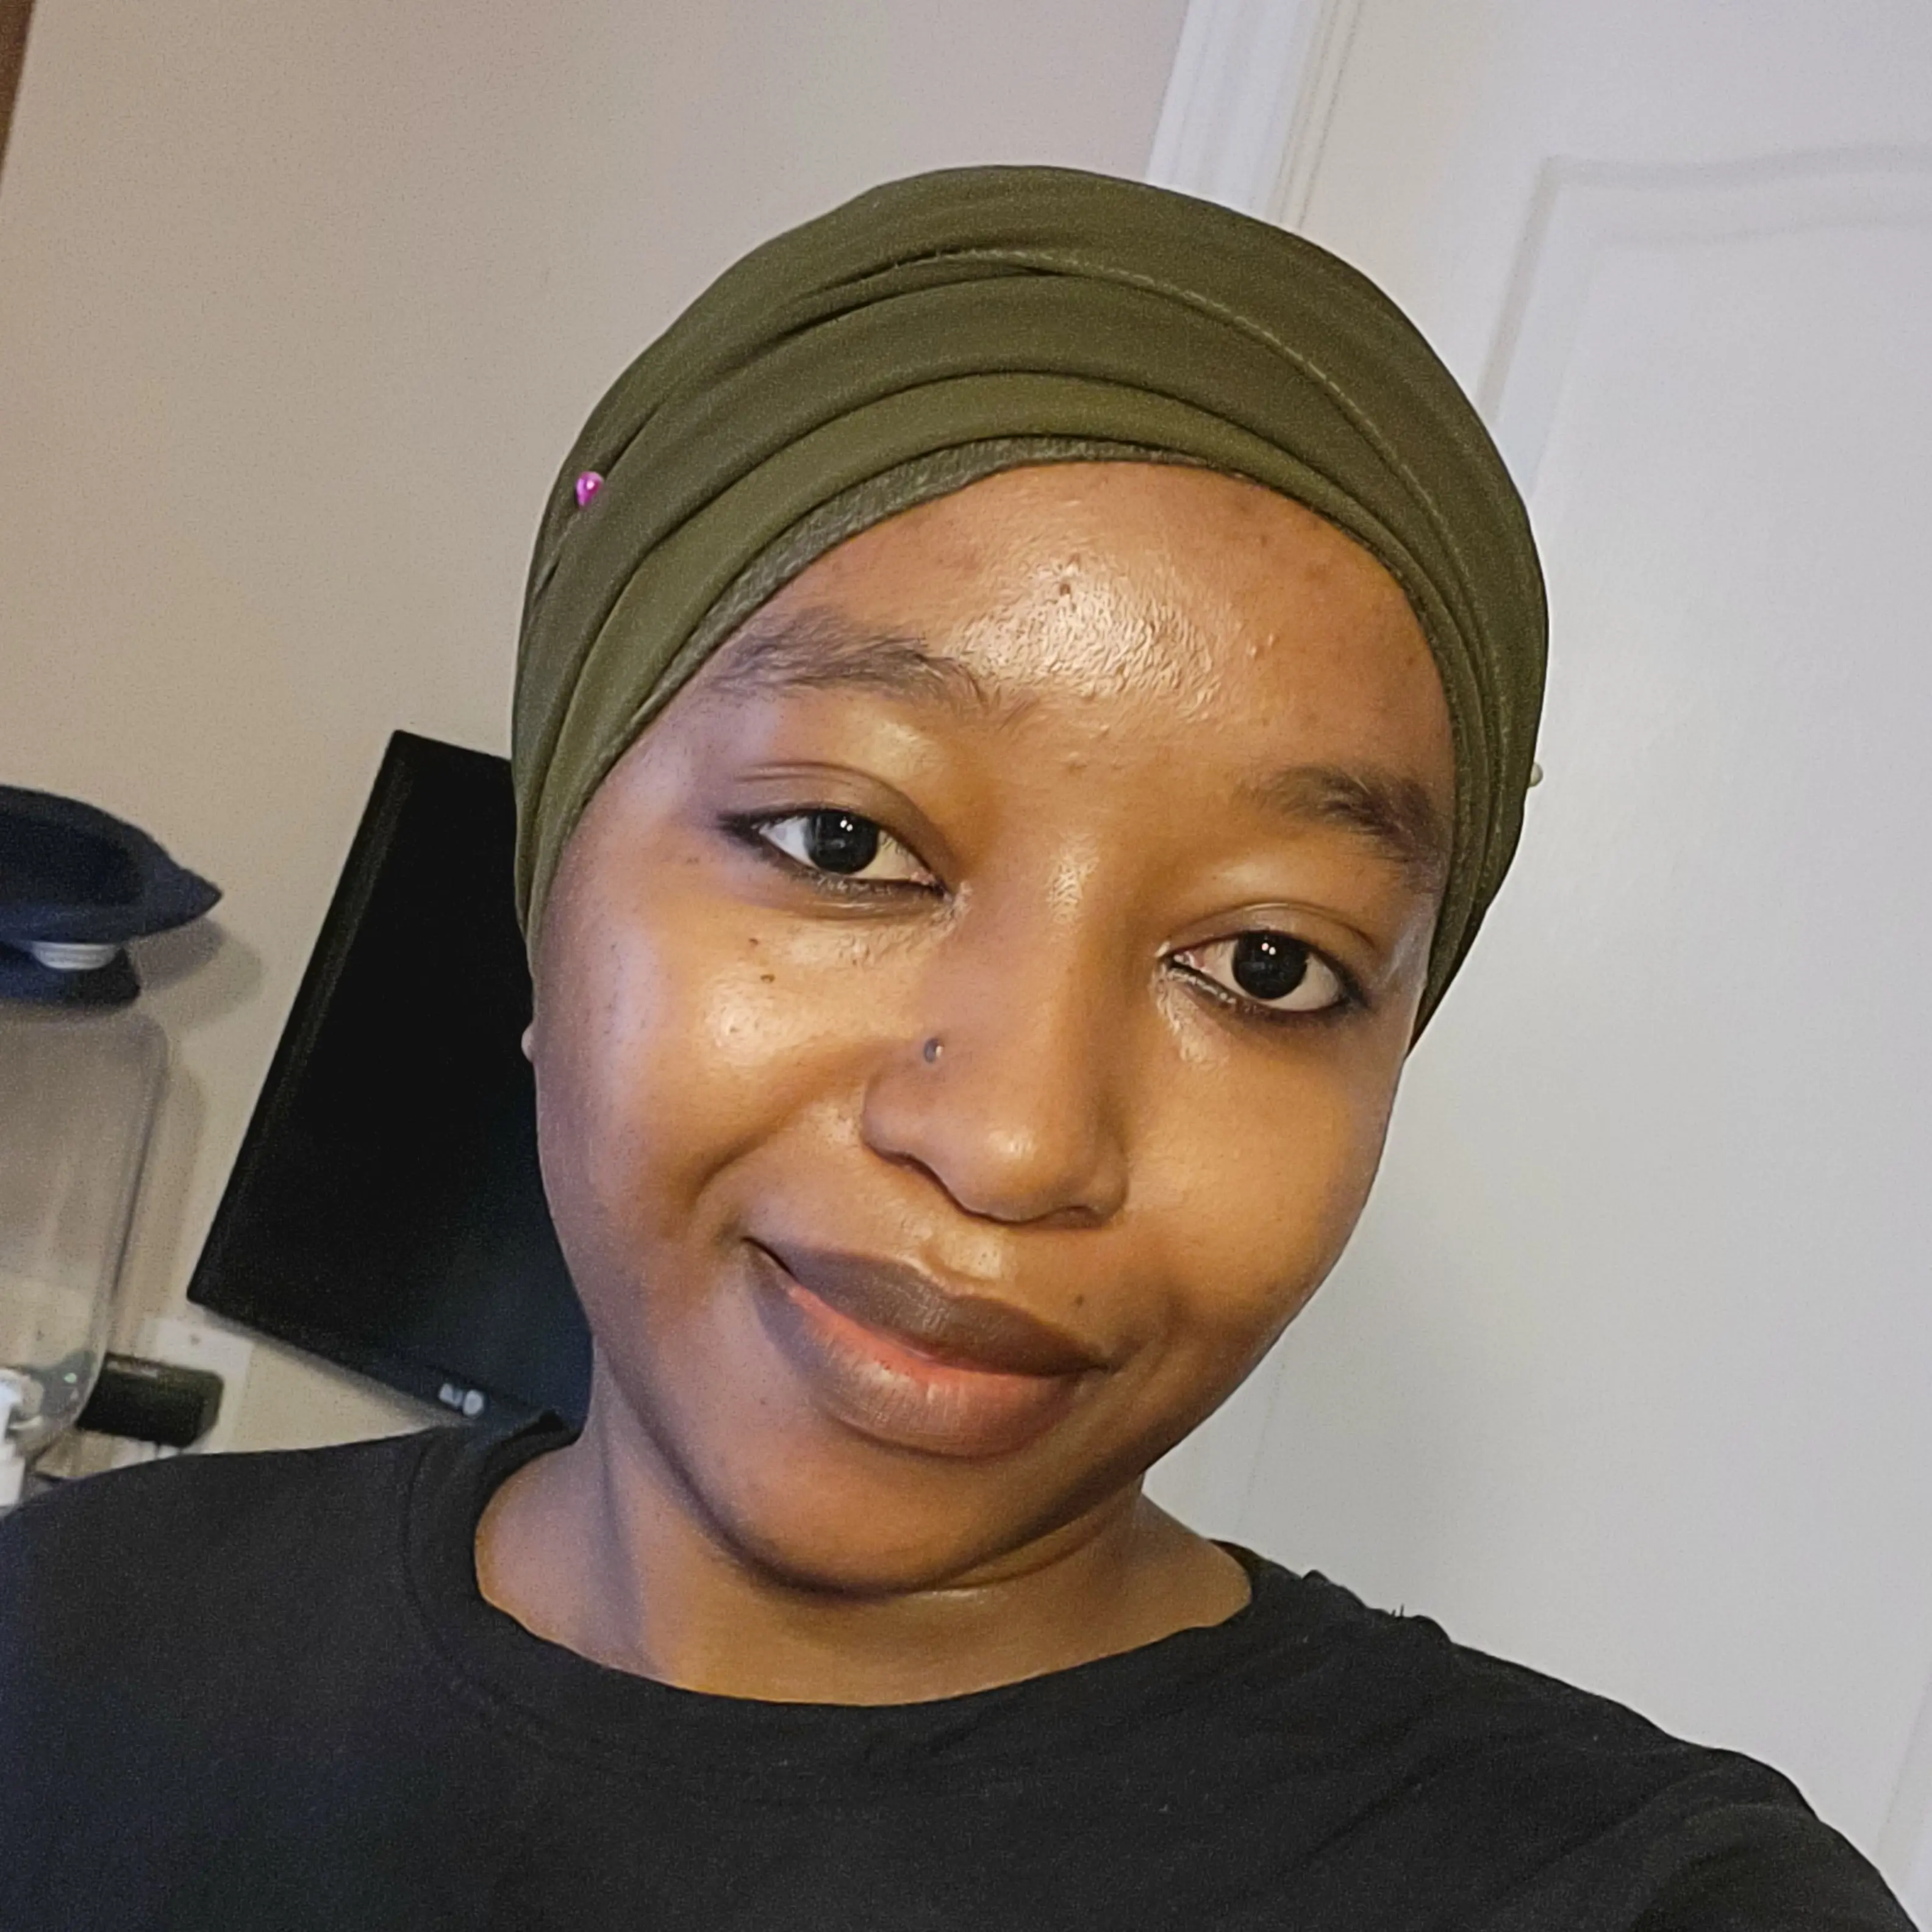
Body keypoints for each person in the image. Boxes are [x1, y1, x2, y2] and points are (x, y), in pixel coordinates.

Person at [0, 166, 1909, 1930]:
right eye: (845, 843)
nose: (1015, 1141)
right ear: (551, 885)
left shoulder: (1632, 1901)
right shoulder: (75, 1640)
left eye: (1265, 962)